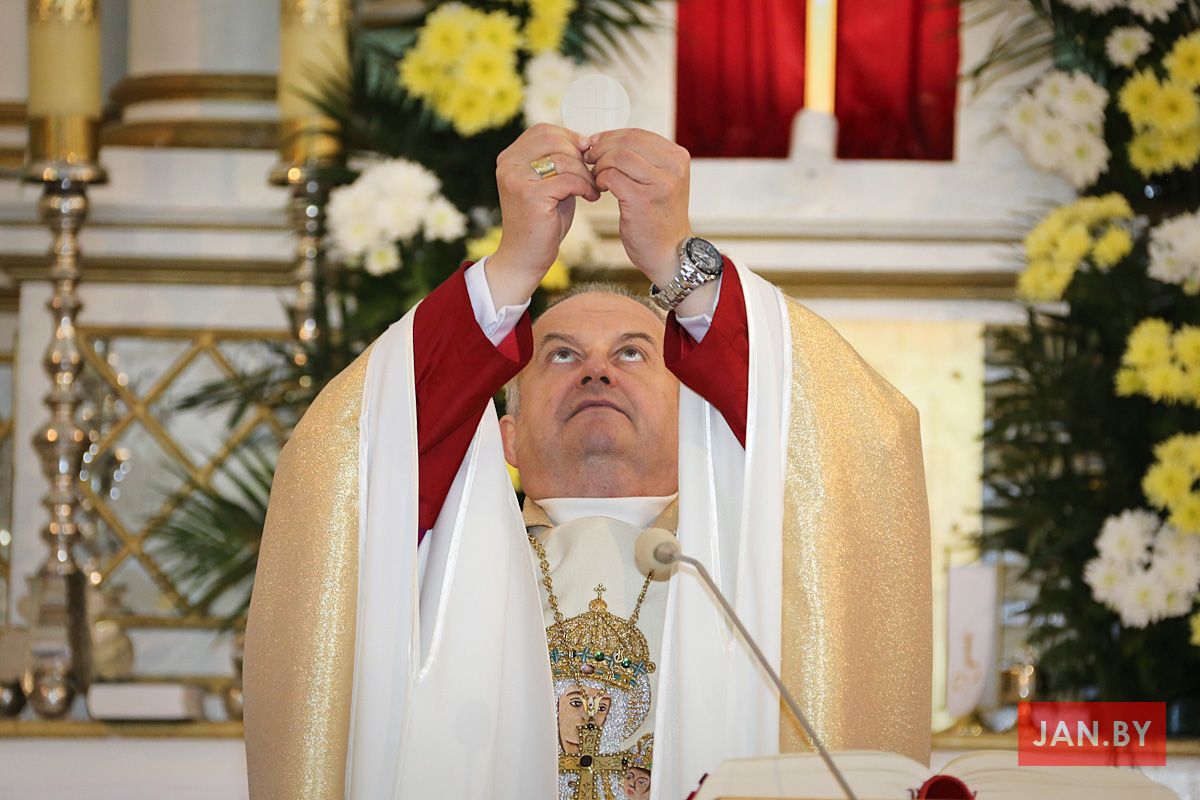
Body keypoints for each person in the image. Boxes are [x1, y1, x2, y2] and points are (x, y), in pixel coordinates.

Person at [243, 124, 932, 800]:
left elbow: (858, 453)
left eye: (632, 352)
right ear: (507, 437)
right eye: (561, 354)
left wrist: (679, 265)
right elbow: (349, 463)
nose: (596, 372)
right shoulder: (432, 556)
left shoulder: (755, 553)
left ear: (695, 417)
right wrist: (512, 267)